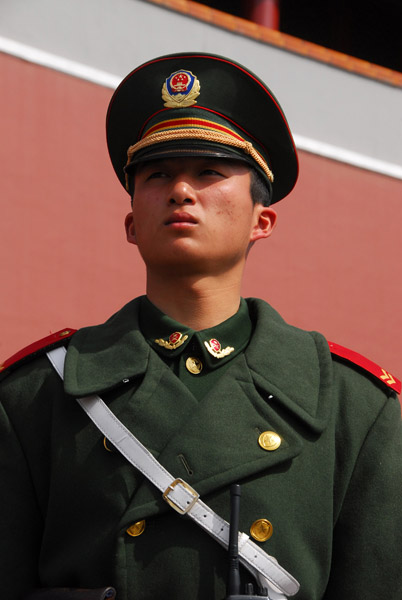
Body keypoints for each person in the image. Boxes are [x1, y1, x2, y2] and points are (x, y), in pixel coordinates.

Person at [0, 52, 401, 600]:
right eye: (158, 174)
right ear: (130, 224)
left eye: (208, 173)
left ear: (263, 221)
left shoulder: (352, 408)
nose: (181, 191)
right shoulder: (36, 394)